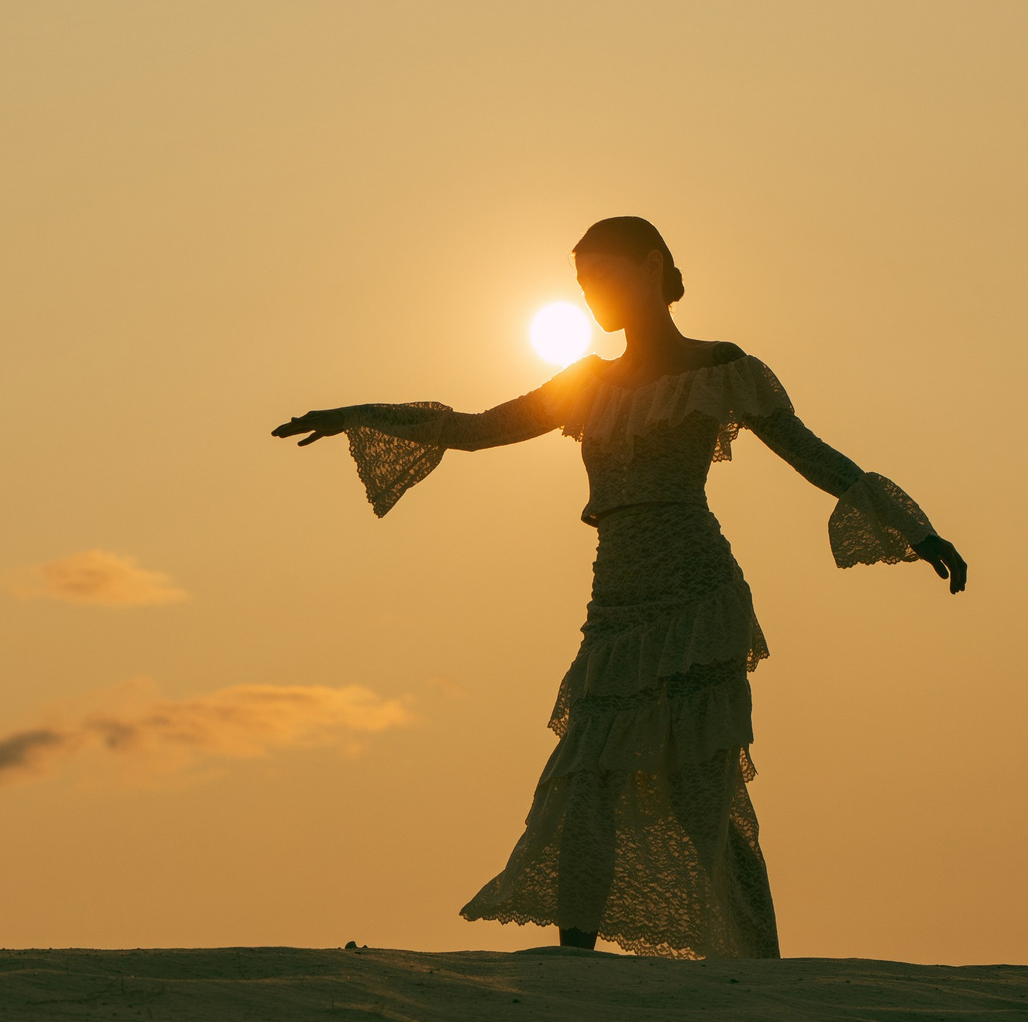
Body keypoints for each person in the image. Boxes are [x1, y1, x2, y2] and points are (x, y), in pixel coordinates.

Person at [272, 217, 965, 959]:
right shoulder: (587, 383)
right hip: (617, 603)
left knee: (707, 797)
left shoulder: (724, 367)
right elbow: (478, 429)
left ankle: (754, 970)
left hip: (699, 595)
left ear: (649, 266)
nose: (590, 294)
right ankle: (577, 964)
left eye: (600, 275)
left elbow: (813, 456)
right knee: (585, 784)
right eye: (580, 283)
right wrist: (359, 414)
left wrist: (916, 532)